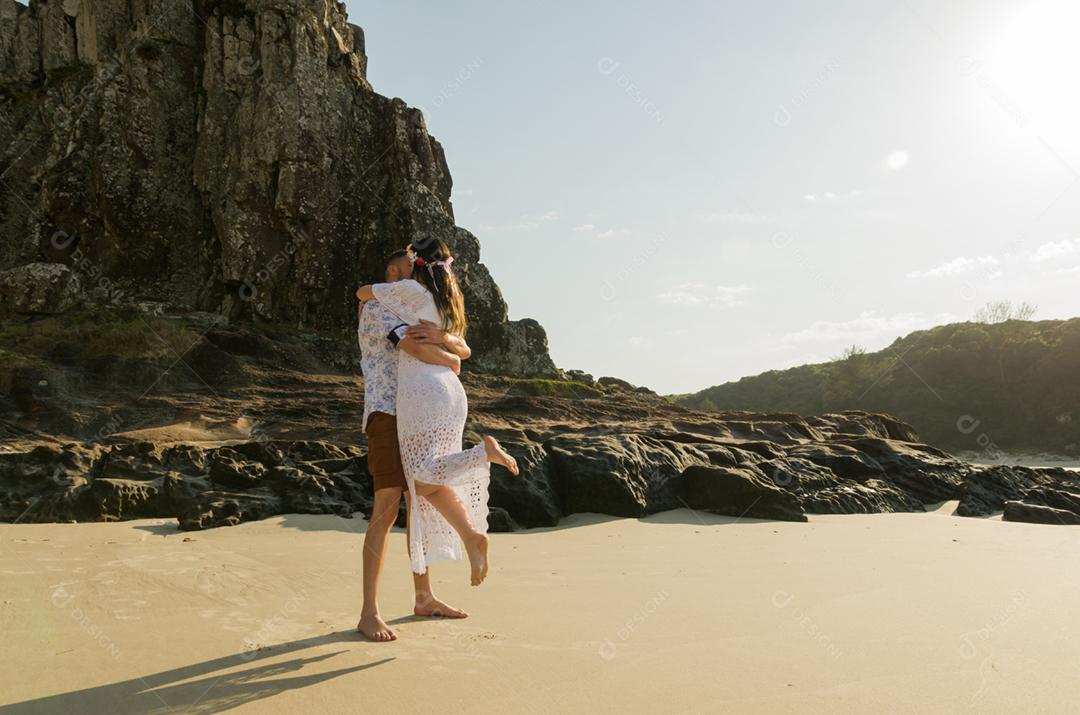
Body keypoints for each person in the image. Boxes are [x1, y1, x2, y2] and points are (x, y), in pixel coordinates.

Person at [357, 238, 519, 590]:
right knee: (411, 494)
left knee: (418, 490)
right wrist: (452, 354)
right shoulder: (423, 306)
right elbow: (455, 348)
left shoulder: (407, 298)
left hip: (416, 402)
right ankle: (391, 603)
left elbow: (366, 297)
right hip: (419, 404)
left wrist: (446, 346)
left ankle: (420, 595)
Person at [355, 249, 471, 643]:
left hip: (415, 413)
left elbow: (453, 342)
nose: (418, 280)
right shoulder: (379, 308)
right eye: (410, 272)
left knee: (419, 506)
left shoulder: (406, 305)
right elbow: (413, 347)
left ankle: (424, 597)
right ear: (393, 274)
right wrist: (451, 362)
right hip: (387, 413)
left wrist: (449, 343)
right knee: (385, 508)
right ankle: (369, 612)